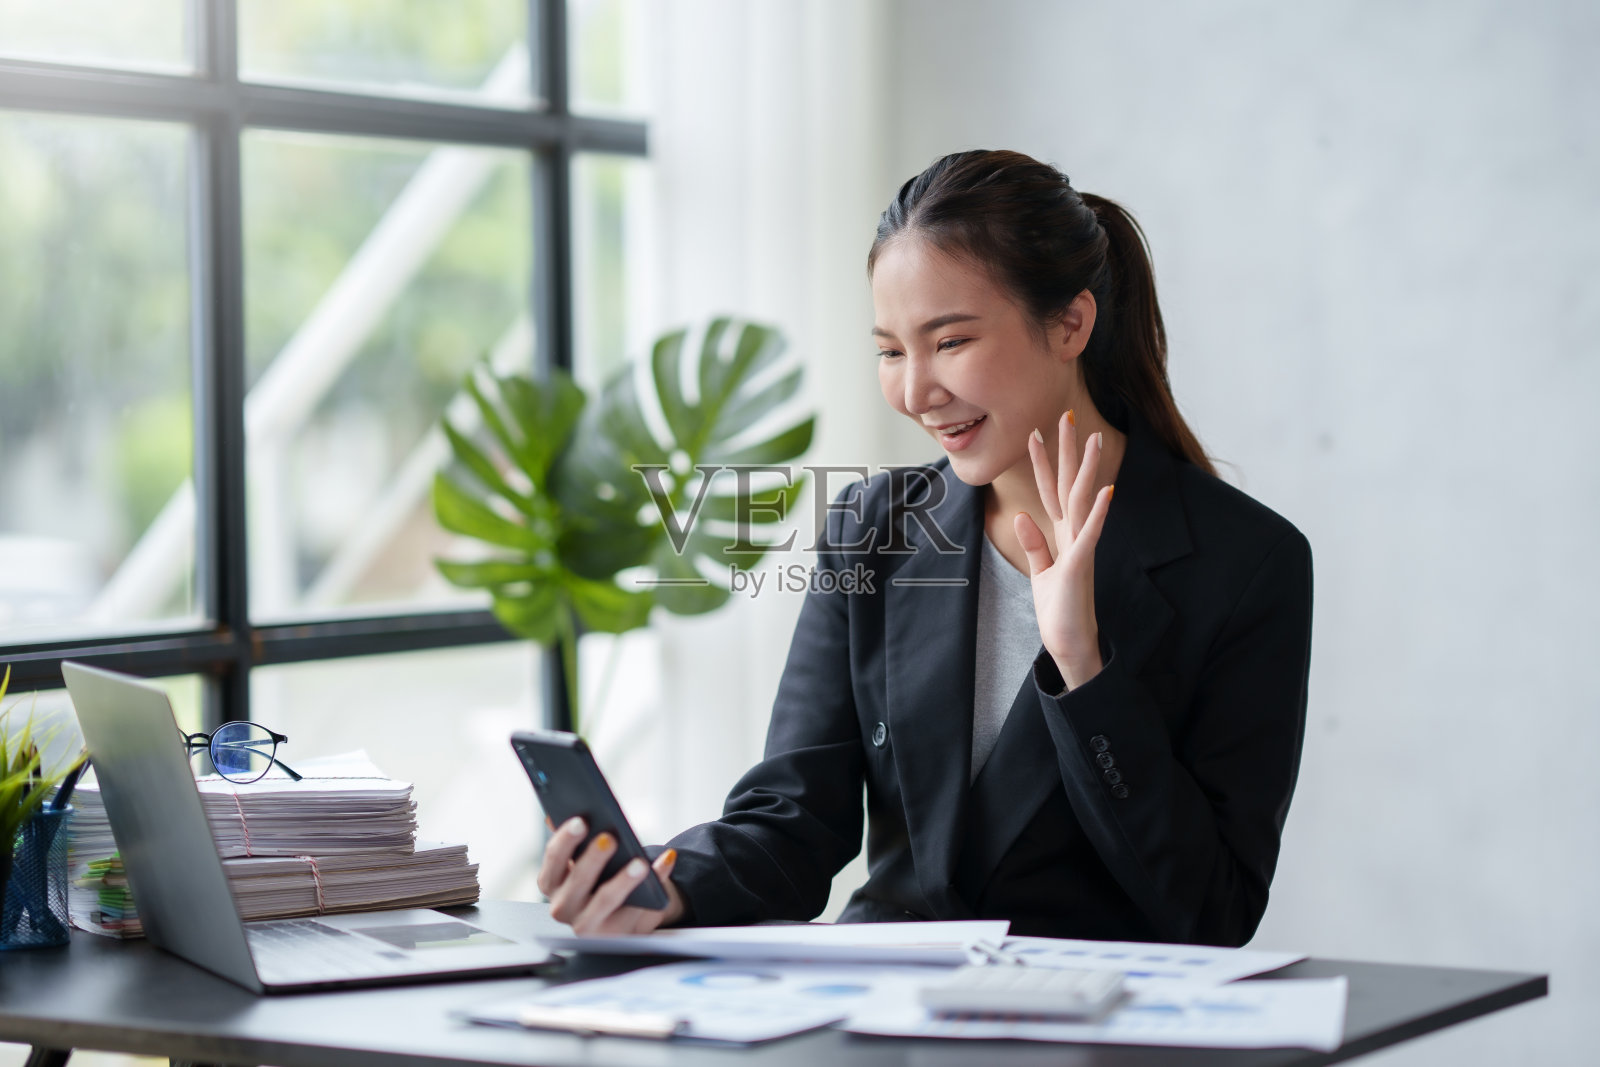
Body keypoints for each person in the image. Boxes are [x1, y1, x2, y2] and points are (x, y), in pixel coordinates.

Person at [537, 149, 1314, 948]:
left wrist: (1085, 670)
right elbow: (794, 822)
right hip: (883, 1011)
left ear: (1070, 323)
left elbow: (1212, 911)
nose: (916, 390)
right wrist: (661, 882)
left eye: (949, 342)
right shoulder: (873, 527)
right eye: (889, 350)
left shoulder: (1245, 563)